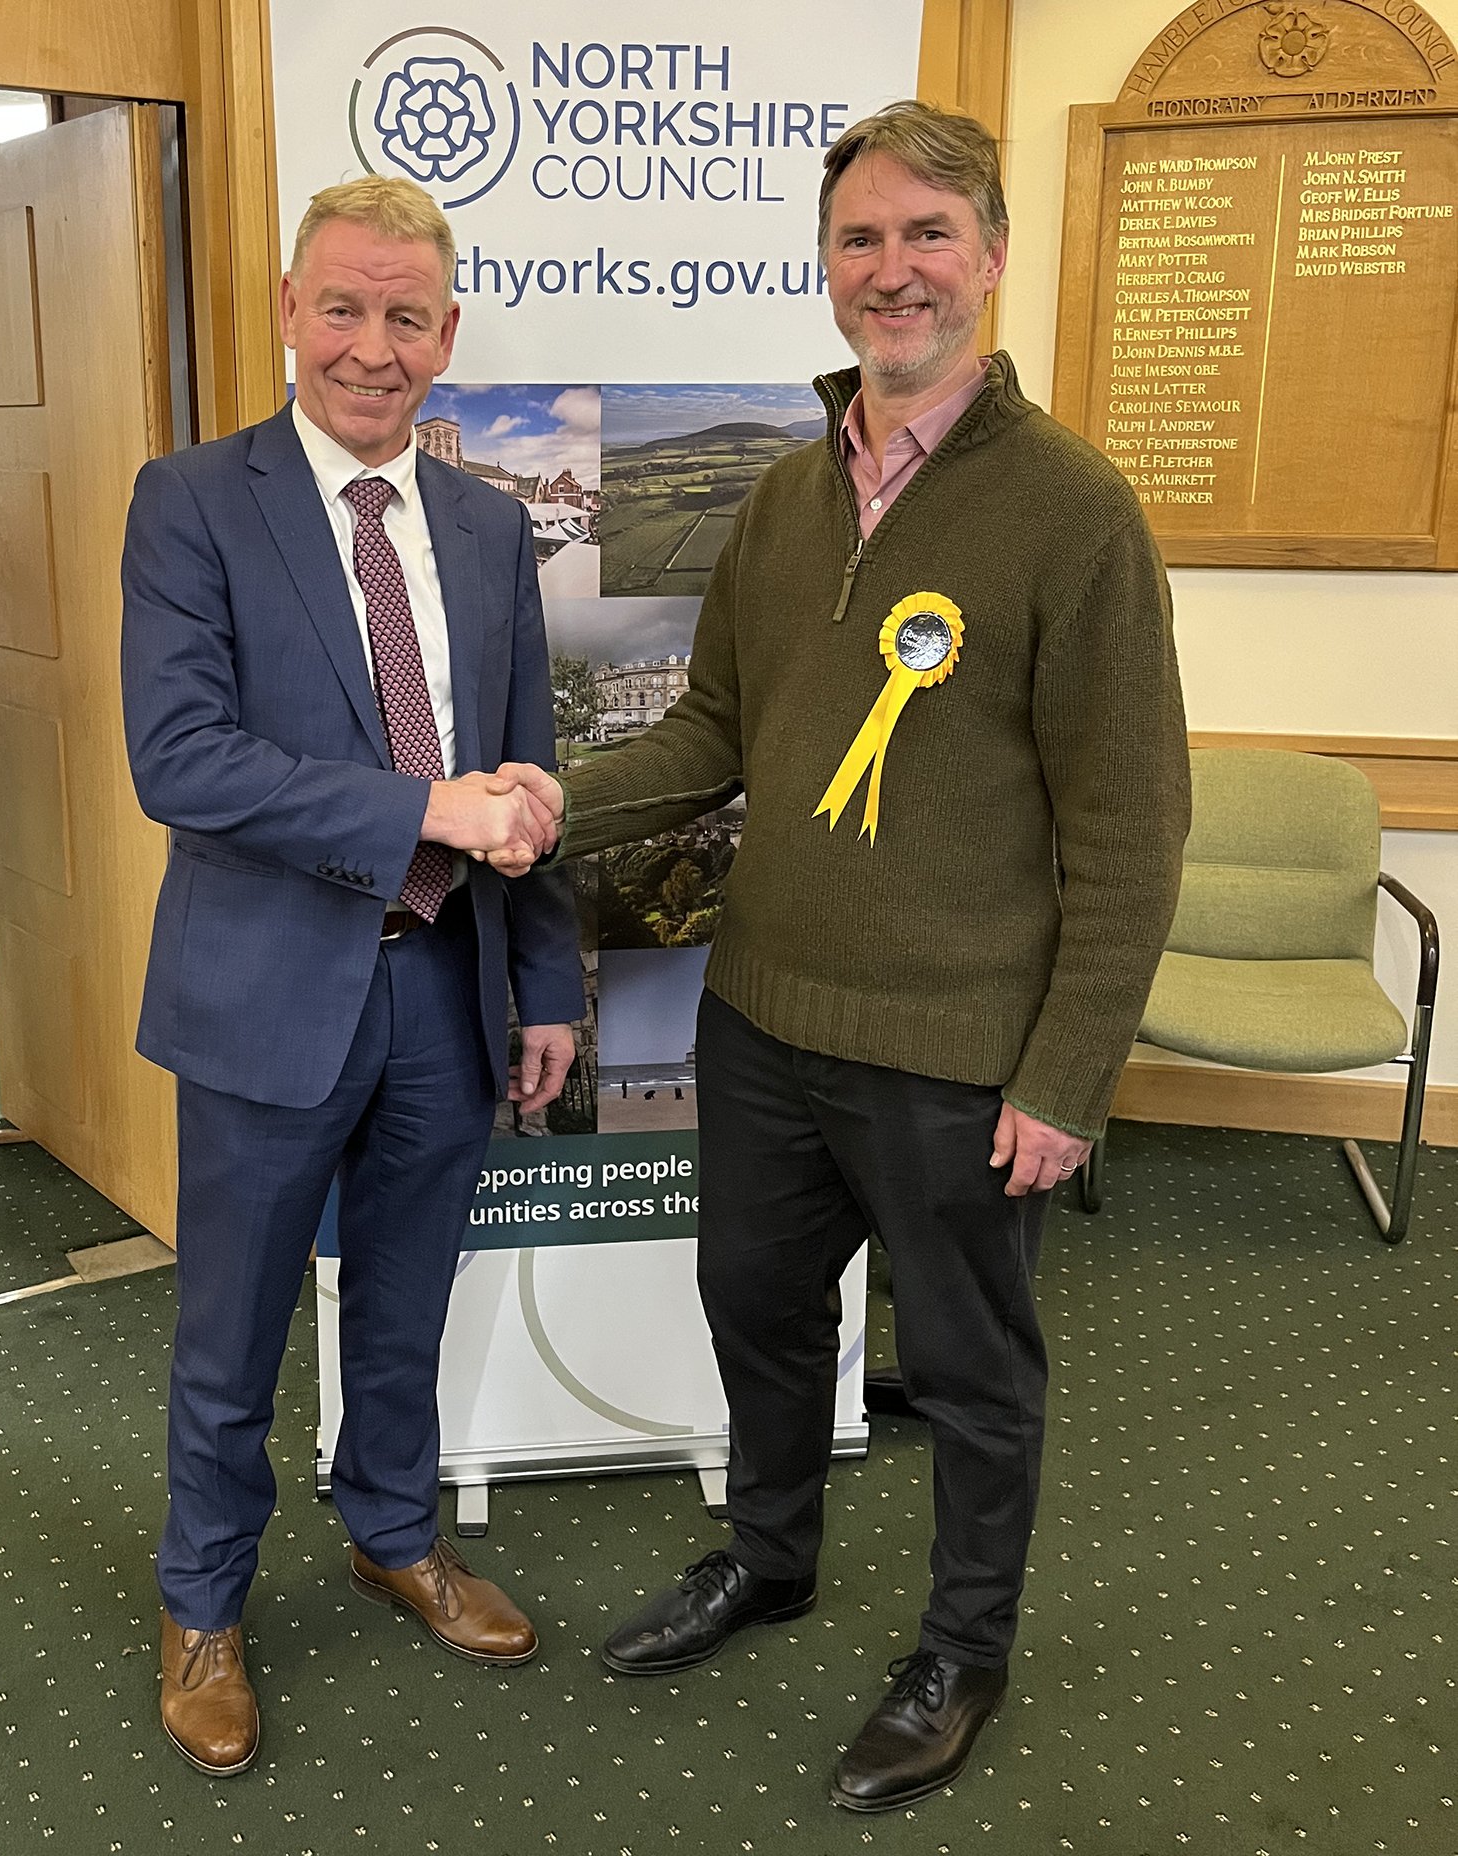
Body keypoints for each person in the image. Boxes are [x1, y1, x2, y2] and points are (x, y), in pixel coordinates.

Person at [501, 100, 1190, 1813]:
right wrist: (543, 803)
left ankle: (963, 1648)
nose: (895, 270)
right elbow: (713, 738)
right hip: (763, 1023)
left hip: (959, 1048)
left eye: (928, 234)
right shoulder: (785, 498)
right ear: (827, 266)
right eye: (861, 239)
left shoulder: (1075, 513)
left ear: (992, 256)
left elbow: (1130, 831)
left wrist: (1066, 1078)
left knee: (969, 1368)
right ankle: (771, 1553)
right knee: (756, 1306)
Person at [120, 175, 582, 1777]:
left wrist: (547, 982)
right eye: (342, 308)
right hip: (268, 994)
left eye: (405, 316)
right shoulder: (193, 500)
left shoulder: (489, 525)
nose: (370, 348)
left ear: (446, 335)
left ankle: (394, 1531)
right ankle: (202, 1602)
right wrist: (423, 811)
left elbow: (524, 768)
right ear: (288, 312)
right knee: (232, 1333)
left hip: (446, 991)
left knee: (404, 1303)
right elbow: (181, 761)